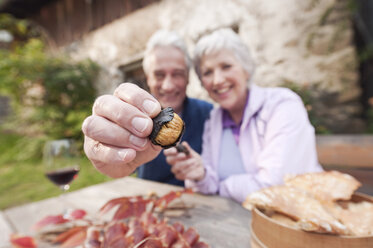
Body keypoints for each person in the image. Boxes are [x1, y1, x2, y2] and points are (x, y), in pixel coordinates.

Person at [164, 28, 323, 203]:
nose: (217, 80)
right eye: (208, 72)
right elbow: (207, 186)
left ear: (246, 69)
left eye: (226, 66)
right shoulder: (214, 119)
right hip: (238, 222)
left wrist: (221, 186)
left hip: (300, 219)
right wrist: (199, 174)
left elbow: (277, 188)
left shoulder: (282, 105)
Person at [82, 30, 212, 185]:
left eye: (177, 74)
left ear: (188, 77)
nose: (168, 86)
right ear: (148, 78)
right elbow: (123, 166)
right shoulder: (135, 119)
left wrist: (203, 172)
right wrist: (114, 157)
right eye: (159, 75)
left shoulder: (208, 114)